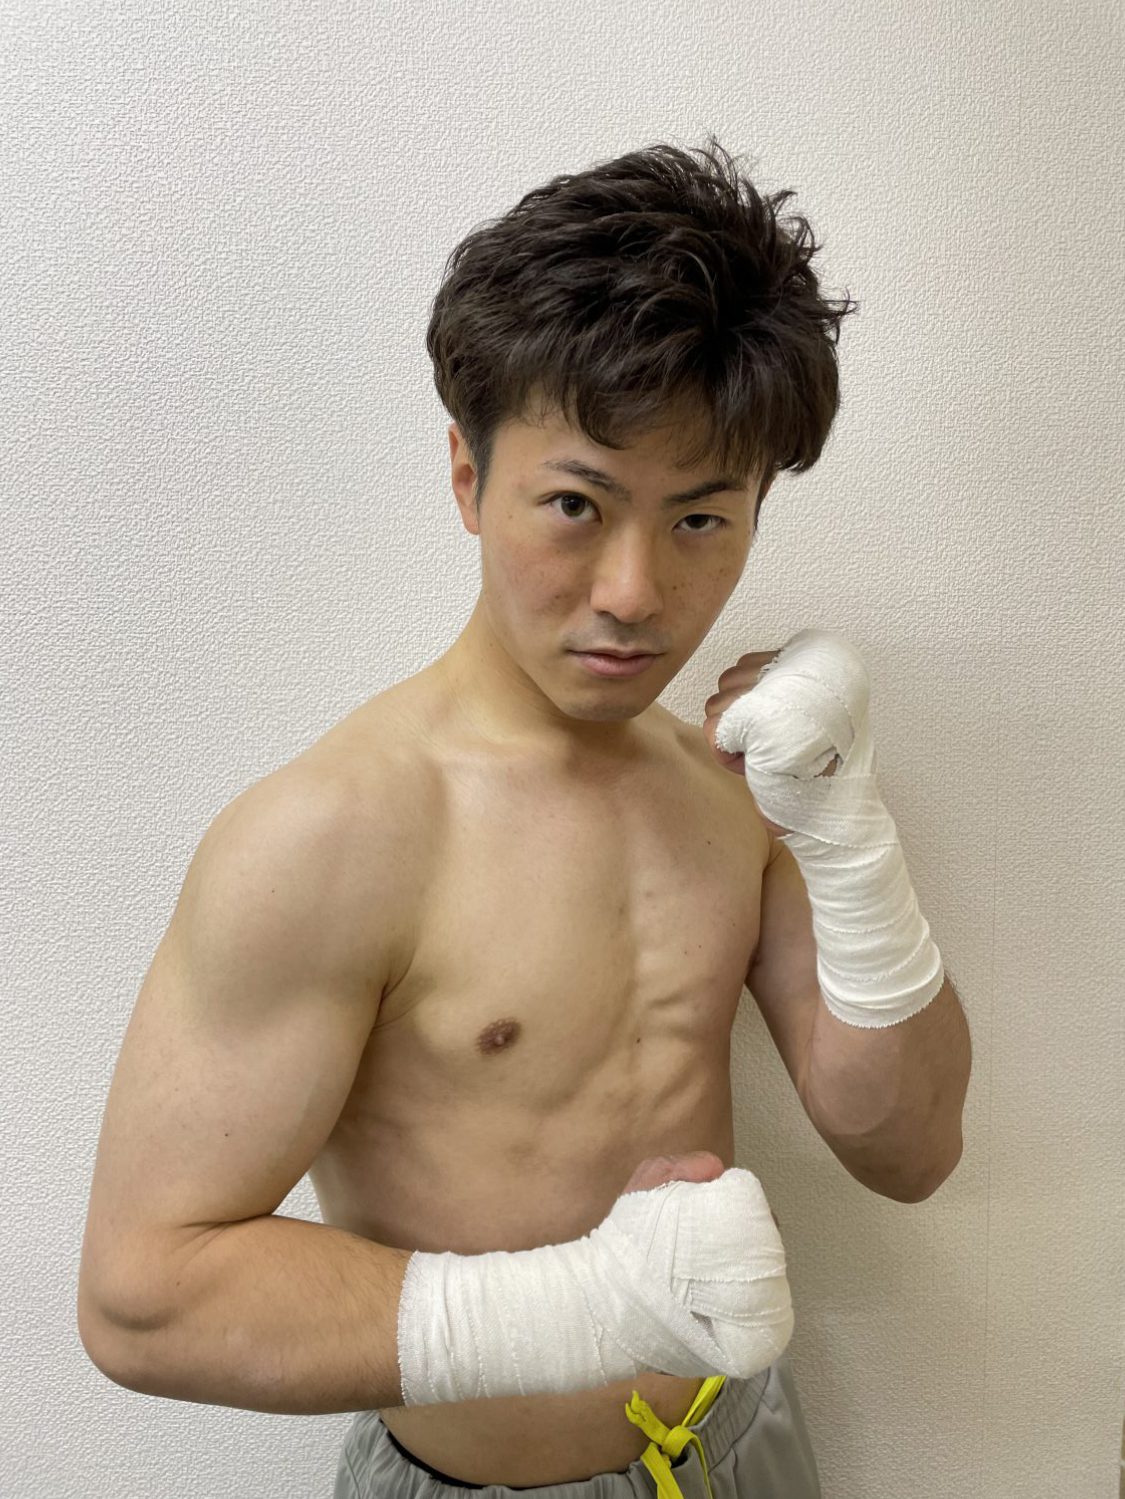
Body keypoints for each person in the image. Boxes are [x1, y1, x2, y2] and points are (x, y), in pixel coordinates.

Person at [77, 136, 970, 1496]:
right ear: (466, 476)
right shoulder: (333, 836)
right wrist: (591, 1308)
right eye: (574, 505)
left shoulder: (734, 790)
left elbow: (908, 1149)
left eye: (700, 521)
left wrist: (848, 835)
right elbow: (143, 1299)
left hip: (741, 1444)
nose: (632, 591)